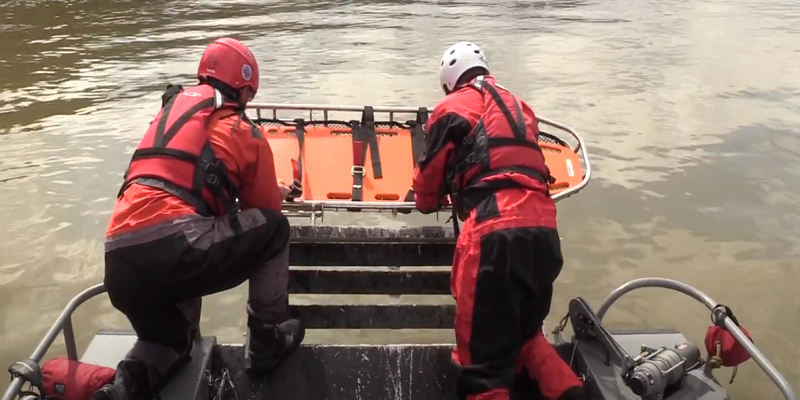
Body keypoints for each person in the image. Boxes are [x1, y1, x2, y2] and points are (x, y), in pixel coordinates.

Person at [91, 37, 305, 400]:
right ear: (243, 89)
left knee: (170, 344)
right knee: (275, 231)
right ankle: (266, 341)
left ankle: (123, 389)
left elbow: (178, 186)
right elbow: (266, 212)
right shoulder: (243, 130)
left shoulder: (166, 114)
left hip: (119, 263)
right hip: (177, 248)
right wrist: (278, 193)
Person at [411, 42, 585, 400]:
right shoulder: (521, 107)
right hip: (543, 230)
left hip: (492, 234)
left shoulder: (449, 108)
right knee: (527, 336)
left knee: (482, 368)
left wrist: (433, 195)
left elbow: (426, 193)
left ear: (448, 83)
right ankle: (573, 394)